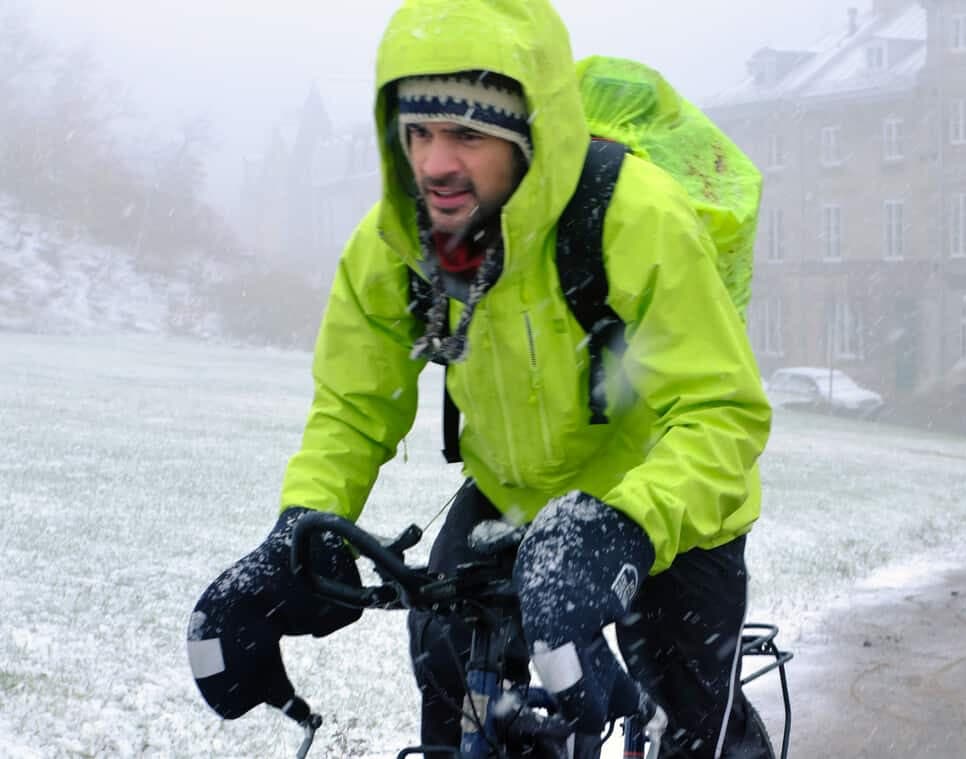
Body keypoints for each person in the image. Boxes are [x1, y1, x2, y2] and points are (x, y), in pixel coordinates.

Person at [187, 0, 774, 756]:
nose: (434, 162)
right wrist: (299, 531)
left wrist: (627, 523)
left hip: (663, 498)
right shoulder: (399, 243)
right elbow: (353, 406)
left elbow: (722, 412)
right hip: (511, 491)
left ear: (530, 133)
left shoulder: (633, 217)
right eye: (419, 132)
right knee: (449, 667)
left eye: (467, 132)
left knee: (689, 716)